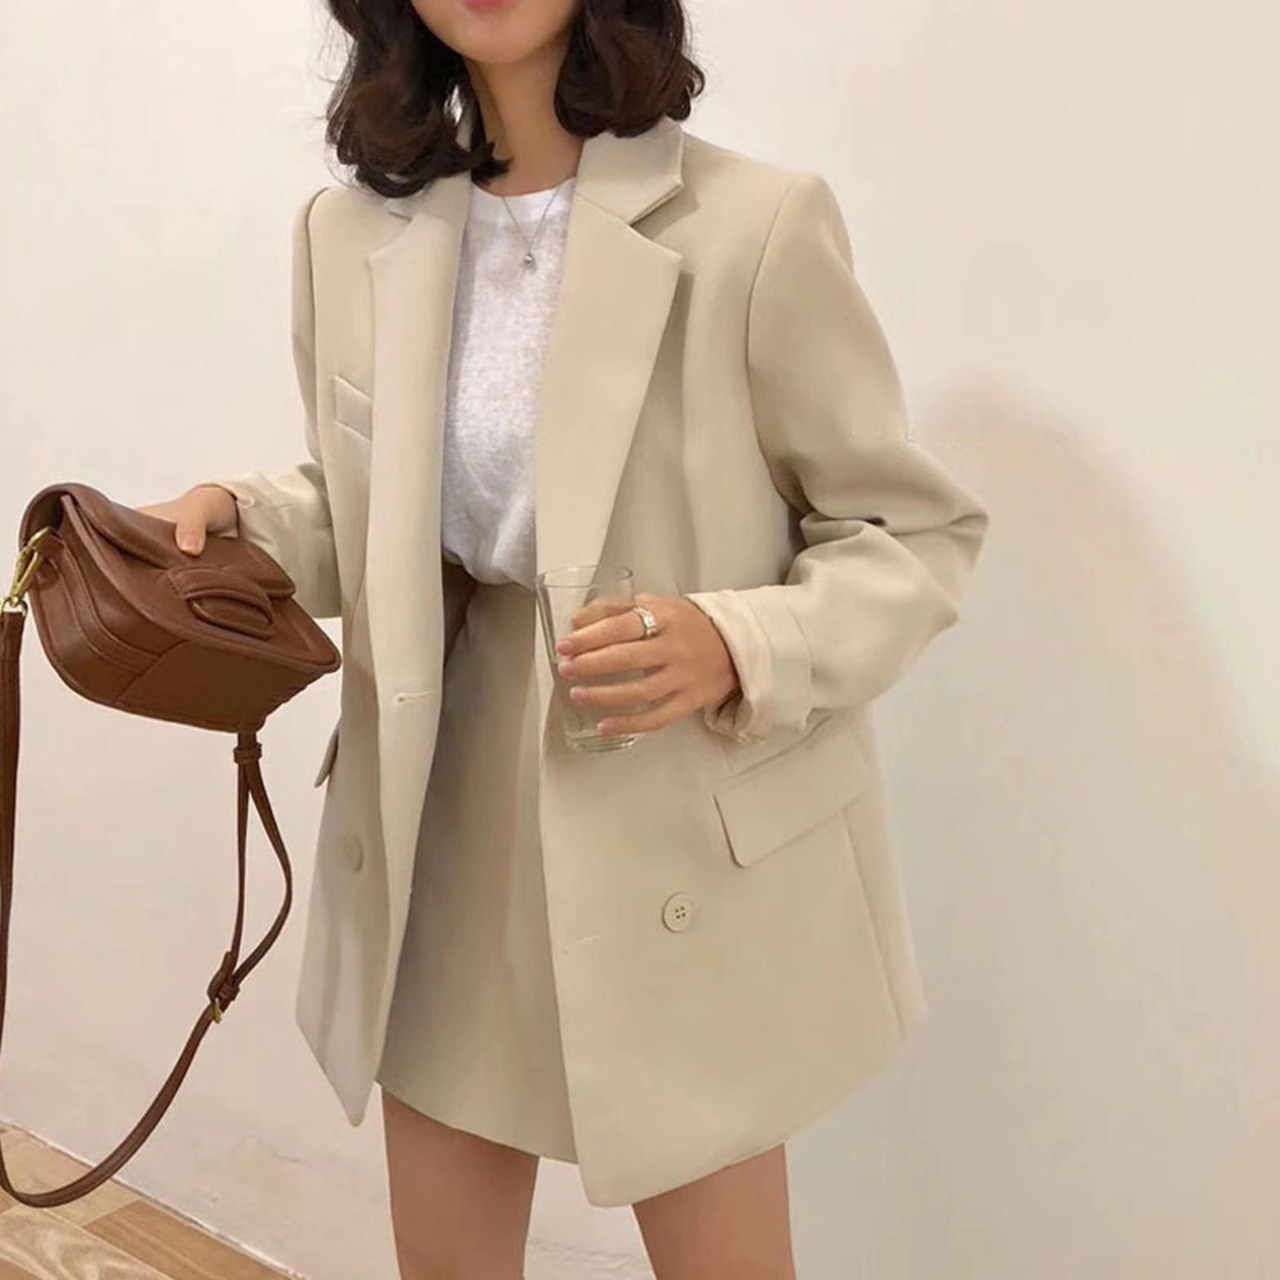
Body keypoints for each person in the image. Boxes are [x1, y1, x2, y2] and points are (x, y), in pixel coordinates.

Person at [140, 0, 991, 1275]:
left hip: (671, 809)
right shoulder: (349, 231)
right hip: (444, 803)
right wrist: (245, 520)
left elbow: (911, 530)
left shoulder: (753, 226)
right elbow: (384, 510)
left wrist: (735, 640)